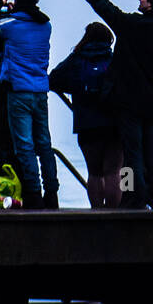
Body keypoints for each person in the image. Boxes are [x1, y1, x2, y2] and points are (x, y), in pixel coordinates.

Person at [61, 0, 153, 209]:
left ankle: (132, 197)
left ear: (150, 3)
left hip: (128, 103)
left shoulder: (131, 25)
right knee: (152, 156)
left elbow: (105, 7)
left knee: (131, 157)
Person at [0, 0, 58, 210]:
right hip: (40, 91)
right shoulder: (46, 25)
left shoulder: (12, 25)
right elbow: (28, 20)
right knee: (44, 143)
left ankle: (34, 193)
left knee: (24, 145)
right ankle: (52, 192)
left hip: (18, 92)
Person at [49, 22, 122, 207]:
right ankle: (114, 212)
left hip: (86, 122)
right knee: (113, 172)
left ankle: (96, 210)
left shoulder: (76, 59)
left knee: (94, 172)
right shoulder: (115, 60)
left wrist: (75, 90)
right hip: (114, 122)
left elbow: (53, 79)